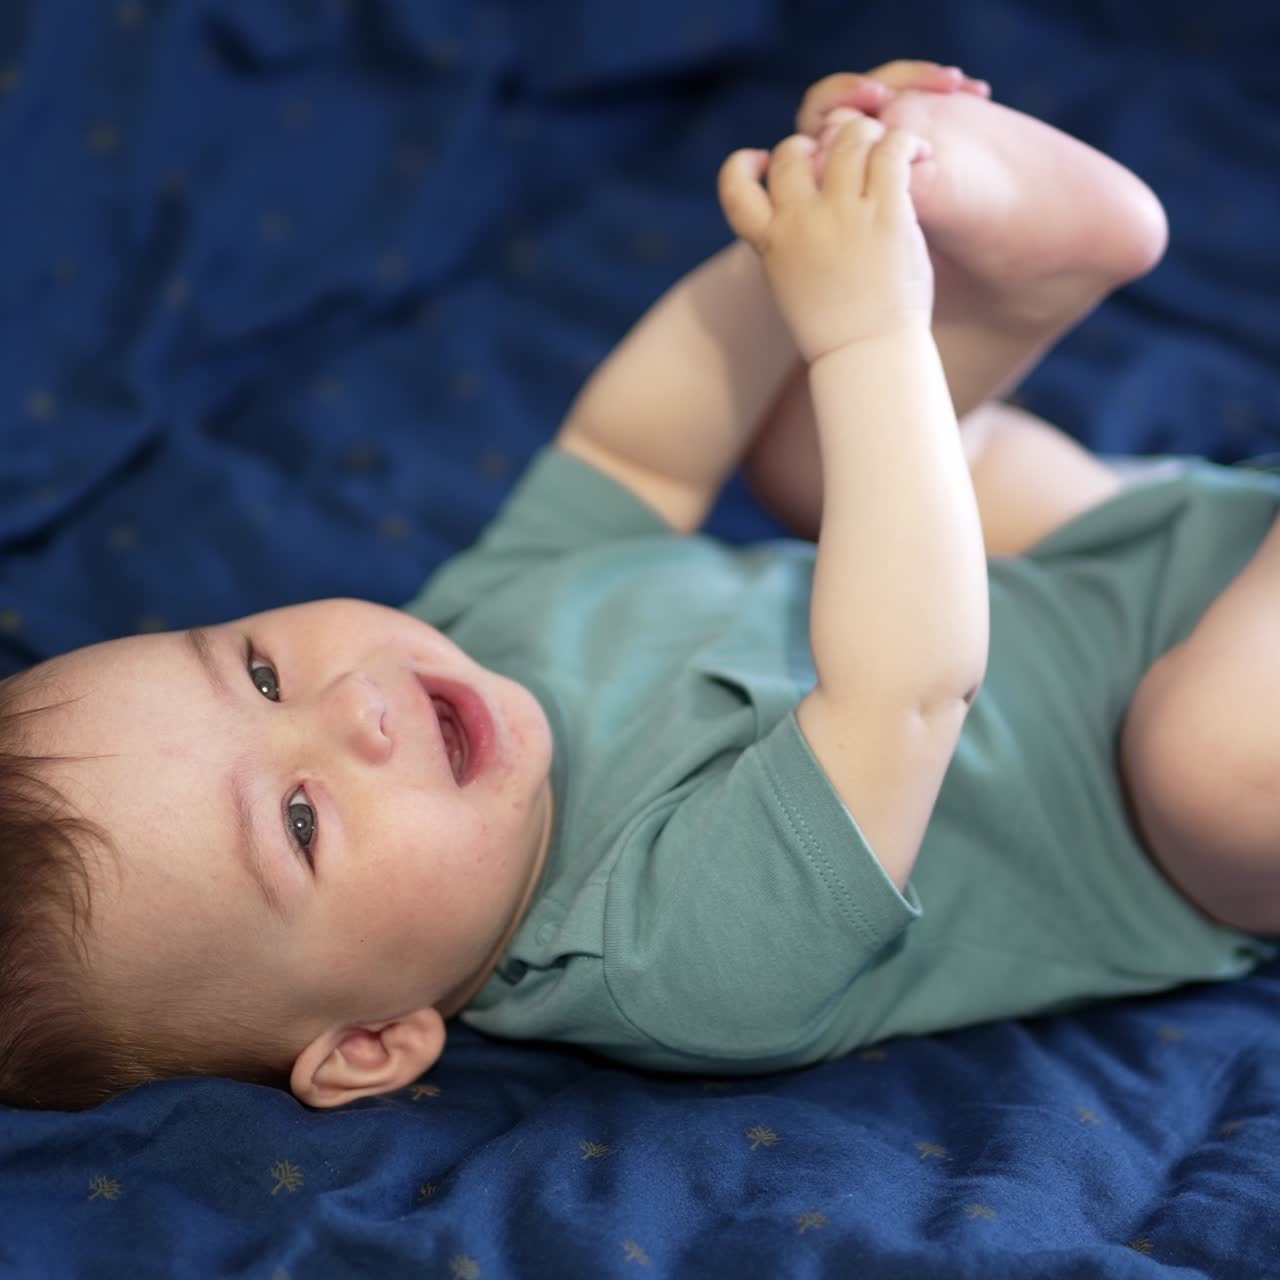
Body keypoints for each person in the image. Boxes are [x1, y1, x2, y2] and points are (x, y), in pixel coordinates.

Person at [2, 62, 1275, 1114]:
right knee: (1200, 763)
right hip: (1209, 816)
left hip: (1108, 565)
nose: (352, 712)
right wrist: (866, 326)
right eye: (297, 819)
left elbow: (634, 452)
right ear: (372, 1039)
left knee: (801, 452)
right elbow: (907, 687)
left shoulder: (471, 639)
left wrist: (804, 231)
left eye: (260, 669)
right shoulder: (666, 955)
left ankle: (1036, 263)